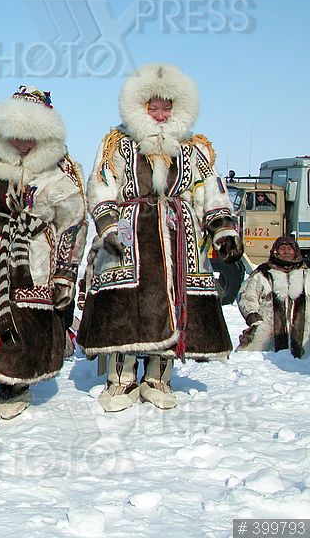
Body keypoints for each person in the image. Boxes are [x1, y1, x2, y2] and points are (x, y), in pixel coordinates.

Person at [78, 62, 243, 412]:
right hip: (130, 226)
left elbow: (208, 190)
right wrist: (108, 226)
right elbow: (103, 184)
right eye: (153, 106)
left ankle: (158, 377)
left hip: (179, 231)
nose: (161, 113)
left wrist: (222, 228)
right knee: (126, 300)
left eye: (167, 106)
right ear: (138, 107)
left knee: (174, 298)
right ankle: (121, 378)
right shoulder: (117, 143)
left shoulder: (193, 147)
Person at [0, 86, 87, 420]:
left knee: (24, 318)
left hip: (34, 254)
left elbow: (73, 222)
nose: (21, 143)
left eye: (30, 136)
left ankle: (16, 383)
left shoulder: (63, 169)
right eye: (15, 135)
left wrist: (65, 274)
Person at [238, 235, 309, 357]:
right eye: (283, 248)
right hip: (267, 338)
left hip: (304, 340)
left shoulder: (306, 273)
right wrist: (252, 315)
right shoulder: (263, 273)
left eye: (289, 248)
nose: (286, 251)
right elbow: (247, 296)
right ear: (276, 251)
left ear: (296, 251)